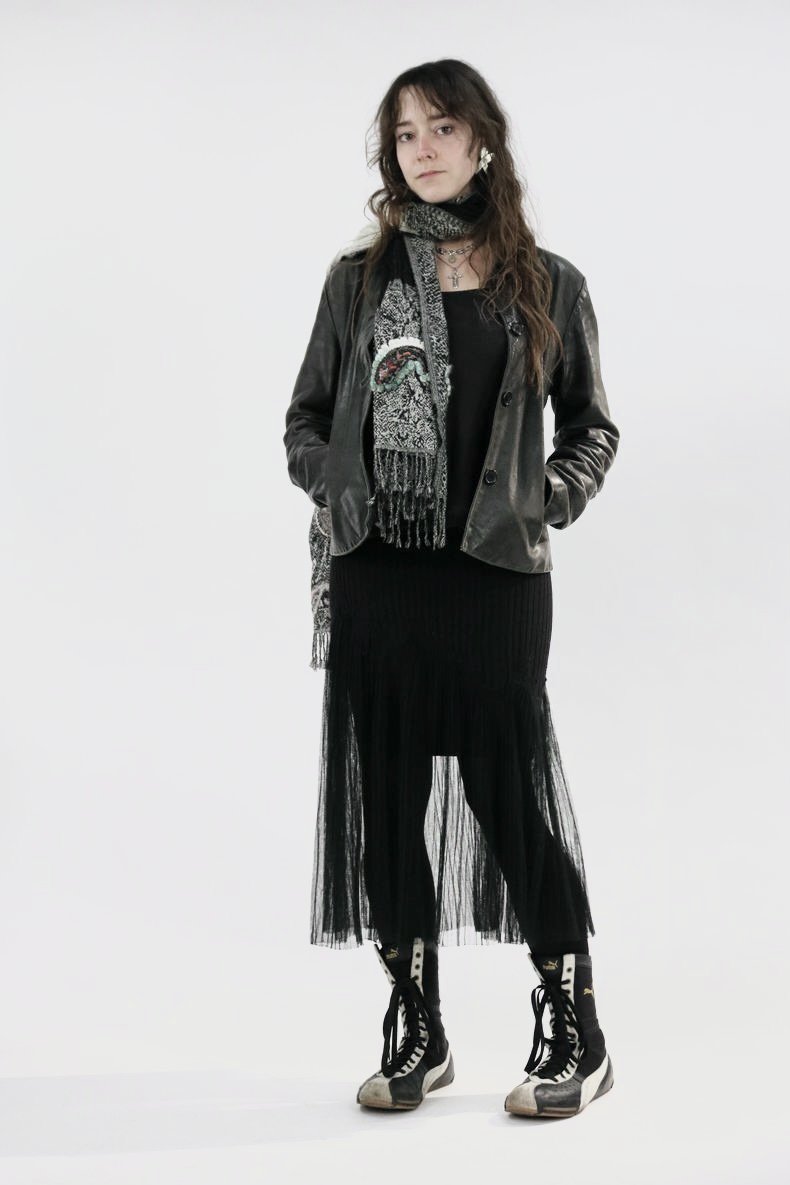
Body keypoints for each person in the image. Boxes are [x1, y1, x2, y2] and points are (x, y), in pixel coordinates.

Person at [283, 59, 620, 1119]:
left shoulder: (549, 283)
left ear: (483, 142)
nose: (421, 148)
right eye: (403, 133)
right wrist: (339, 486)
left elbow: (592, 427)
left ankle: (577, 1031)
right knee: (386, 805)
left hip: (493, 579)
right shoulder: (356, 282)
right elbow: (304, 421)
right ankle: (418, 1028)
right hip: (378, 574)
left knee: (506, 793)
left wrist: (542, 498)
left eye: (440, 127)